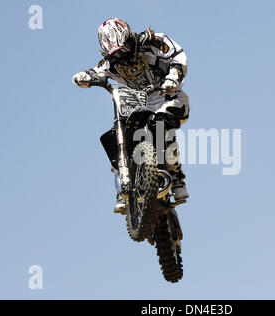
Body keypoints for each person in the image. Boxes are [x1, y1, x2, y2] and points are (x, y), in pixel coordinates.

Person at [72, 18, 189, 214]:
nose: (123, 54)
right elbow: (97, 71)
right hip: (137, 104)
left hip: (168, 97)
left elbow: (178, 57)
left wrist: (172, 78)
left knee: (158, 126)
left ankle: (176, 176)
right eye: (117, 53)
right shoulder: (112, 63)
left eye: (125, 47)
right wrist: (84, 76)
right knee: (111, 137)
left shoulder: (153, 42)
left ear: (130, 37)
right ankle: (123, 186)